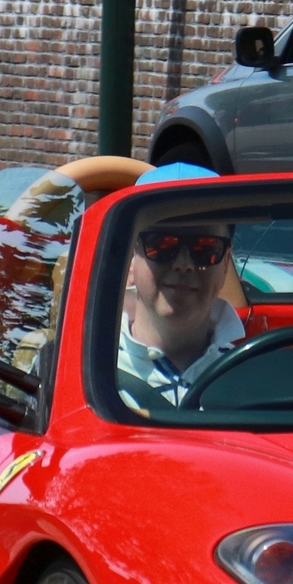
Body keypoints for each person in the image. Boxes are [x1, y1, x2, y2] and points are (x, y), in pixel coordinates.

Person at [117, 164, 247, 406]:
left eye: (205, 248)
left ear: (225, 264)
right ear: (131, 259)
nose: (183, 263)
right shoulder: (80, 373)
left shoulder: (253, 380)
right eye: (162, 244)